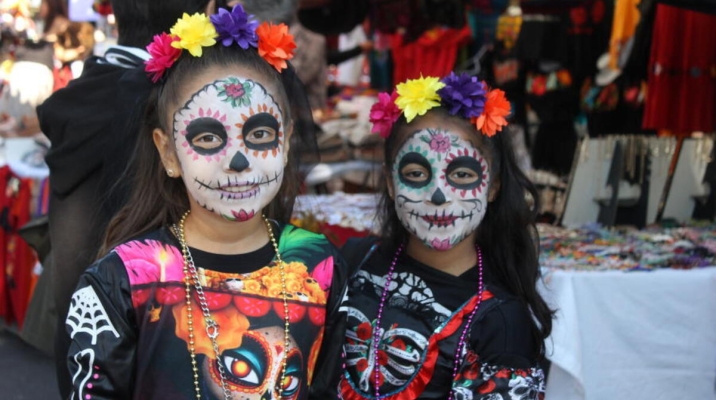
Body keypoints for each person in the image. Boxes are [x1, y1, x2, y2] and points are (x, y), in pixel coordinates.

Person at [63, 5, 345, 399]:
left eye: (260, 134)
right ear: (168, 153)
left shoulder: (322, 267)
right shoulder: (125, 281)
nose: (239, 161)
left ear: (286, 141)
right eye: (209, 139)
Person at [36, 0, 217, 396]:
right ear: (205, 13)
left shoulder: (86, 91)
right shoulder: (168, 104)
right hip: (156, 347)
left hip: (84, 346)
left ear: (116, 13)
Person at [338, 73, 553, 399]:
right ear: (392, 183)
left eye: (462, 174)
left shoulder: (501, 322)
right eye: (416, 174)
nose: (438, 195)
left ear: (492, 186)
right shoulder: (355, 261)